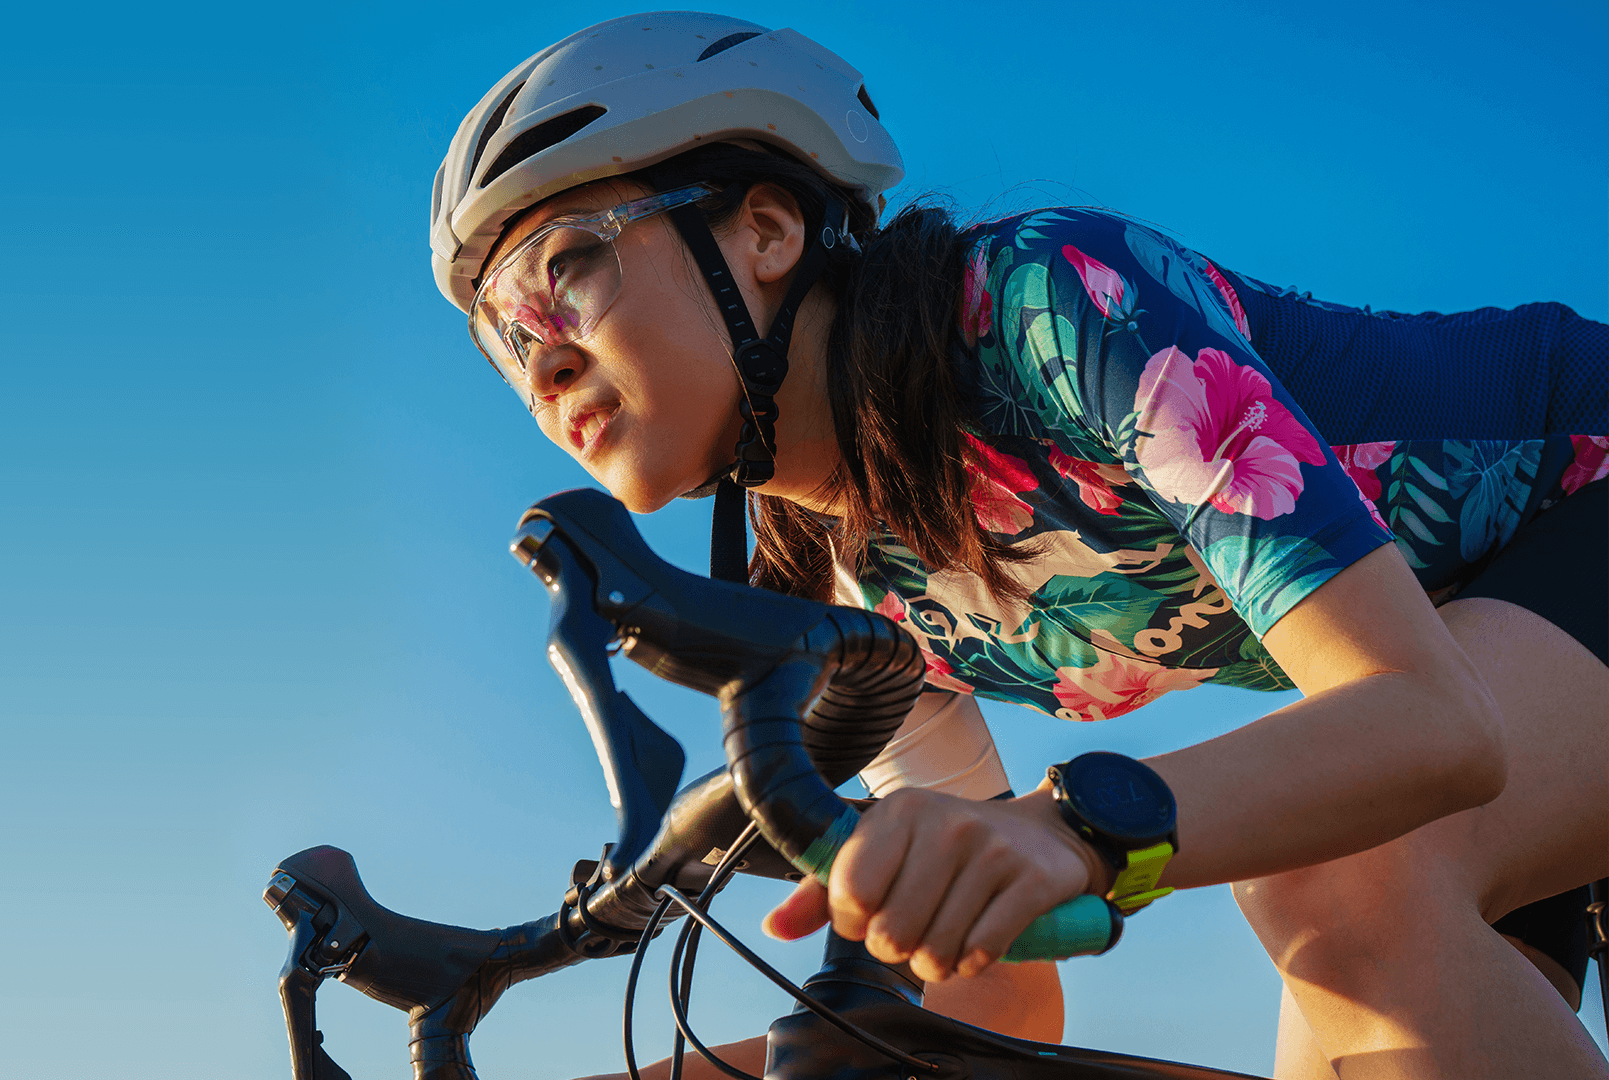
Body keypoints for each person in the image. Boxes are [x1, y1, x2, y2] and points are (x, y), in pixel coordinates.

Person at [431, 13, 1609, 1079]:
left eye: (564, 270)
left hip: (1566, 522)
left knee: (1340, 892)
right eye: (498, 338)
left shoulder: (1044, 306)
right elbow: (996, 992)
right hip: (1491, 665)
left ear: (768, 230)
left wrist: (1071, 826)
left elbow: (1428, 718)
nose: (538, 361)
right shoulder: (841, 590)